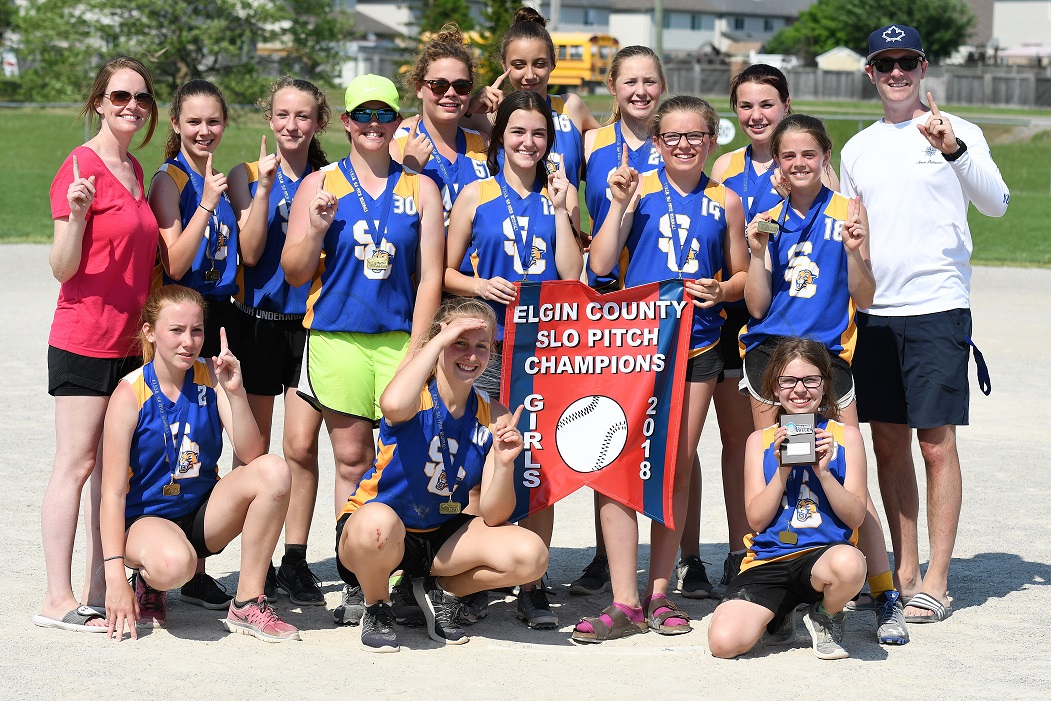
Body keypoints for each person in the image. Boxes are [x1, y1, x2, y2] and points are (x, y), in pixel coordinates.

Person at [840, 24, 1009, 624]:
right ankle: (905, 567)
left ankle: (938, 578)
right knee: (887, 444)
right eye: (884, 63)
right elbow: (856, 233)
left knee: (936, 445)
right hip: (877, 313)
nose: (896, 72)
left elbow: (996, 203)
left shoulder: (957, 130)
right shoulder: (857, 148)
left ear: (923, 65)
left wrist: (952, 150)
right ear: (870, 71)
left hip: (937, 307)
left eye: (906, 61)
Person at [581, 95, 747, 642]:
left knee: (675, 463)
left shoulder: (725, 200)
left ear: (711, 139)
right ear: (656, 142)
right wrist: (619, 207)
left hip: (698, 346)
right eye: (672, 136)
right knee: (617, 462)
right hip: (636, 346)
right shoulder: (637, 187)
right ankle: (623, 598)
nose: (683, 145)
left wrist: (722, 289)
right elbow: (600, 265)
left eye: (695, 136)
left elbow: (741, 276)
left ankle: (659, 592)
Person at [282, 74, 444, 625]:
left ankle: (402, 573)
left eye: (384, 115)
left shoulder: (420, 187)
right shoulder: (320, 184)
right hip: (337, 336)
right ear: (347, 123)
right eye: (363, 115)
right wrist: (314, 228)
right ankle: (356, 578)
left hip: (400, 339)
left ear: (397, 122)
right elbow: (294, 271)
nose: (374, 125)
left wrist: (418, 347)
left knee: (402, 457)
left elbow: (429, 279)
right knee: (351, 460)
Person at [739, 115, 908, 645]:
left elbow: (867, 296)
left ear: (824, 156)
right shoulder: (767, 216)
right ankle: (777, 588)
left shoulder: (847, 214)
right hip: (771, 357)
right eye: (788, 156)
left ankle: (884, 594)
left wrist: (858, 250)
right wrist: (758, 254)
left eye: (808, 154)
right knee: (776, 465)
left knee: (843, 464)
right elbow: (757, 304)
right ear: (779, 162)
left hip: (826, 362)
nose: (798, 164)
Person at [335, 297, 548, 652]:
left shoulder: (493, 413)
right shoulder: (414, 395)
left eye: (482, 346)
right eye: (459, 343)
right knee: (375, 525)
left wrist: (506, 462)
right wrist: (436, 341)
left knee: (532, 557)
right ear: (439, 344)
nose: (471, 355)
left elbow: (495, 515)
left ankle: (438, 592)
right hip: (382, 528)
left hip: (441, 534)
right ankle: (378, 604)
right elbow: (391, 405)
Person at [445, 89, 584, 628]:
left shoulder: (559, 192)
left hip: (544, 347)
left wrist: (559, 209)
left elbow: (572, 275)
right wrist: (481, 284)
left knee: (539, 460)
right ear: (500, 136)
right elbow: (445, 271)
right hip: (487, 347)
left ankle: (531, 579)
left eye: (539, 134)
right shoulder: (476, 194)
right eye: (518, 132)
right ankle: (483, 570)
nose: (528, 143)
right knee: (488, 459)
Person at [34, 57, 160, 634]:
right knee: (76, 463)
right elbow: (62, 268)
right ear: (98, 101)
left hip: (130, 344)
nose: (129, 106)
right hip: (84, 337)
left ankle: (96, 588)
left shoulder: (134, 168)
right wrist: (79, 215)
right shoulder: (80, 166)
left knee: (116, 471)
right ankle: (57, 598)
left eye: (139, 98)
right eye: (118, 97)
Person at [99, 285, 298, 642]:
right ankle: (147, 578)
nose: (188, 342)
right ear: (150, 332)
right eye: (175, 330)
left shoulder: (211, 376)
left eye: (196, 330)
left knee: (274, 470)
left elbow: (251, 454)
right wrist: (114, 577)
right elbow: (111, 494)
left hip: (201, 515)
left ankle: (248, 602)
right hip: (145, 520)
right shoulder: (129, 394)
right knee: (178, 565)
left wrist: (236, 393)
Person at [226, 77, 330, 606]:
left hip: (308, 325)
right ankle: (257, 563)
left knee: (302, 447)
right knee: (256, 452)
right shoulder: (248, 174)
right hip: (259, 321)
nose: (292, 125)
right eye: (284, 115)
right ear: (270, 119)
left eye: (304, 116)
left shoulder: (330, 177)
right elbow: (249, 252)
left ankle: (294, 558)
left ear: (318, 123)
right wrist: (265, 188)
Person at [568, 45, 666, 598]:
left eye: (650, 80)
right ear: (612, 85)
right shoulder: (591, 144)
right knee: (609, 433)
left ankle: (689, 557)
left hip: (667, 308)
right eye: (629, 80)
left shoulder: (675, 139)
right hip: (608, 304)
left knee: (671, 442)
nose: (640, 91)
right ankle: (608, 557)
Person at [707, 337, 868, 660]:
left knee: (850, 564)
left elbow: (856, 517)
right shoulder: (760, 442)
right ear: (774, 387)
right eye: (789, 381)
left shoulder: (846, 436)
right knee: (724, 644)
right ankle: (780, 615)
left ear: (825, 385)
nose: (800, 390)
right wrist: (781, 471)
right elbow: (756, 519)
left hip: (823, 558)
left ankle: (825, 613)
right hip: (771, 560)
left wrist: (823, 473)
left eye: (811, 380)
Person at [148, 78, 238, 609]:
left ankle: (197, 565)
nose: (205, 130)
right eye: (194, 121)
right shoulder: (171, 180)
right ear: (177, 125)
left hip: (219, 313)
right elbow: (176, 262)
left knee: (205, 440)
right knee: (168, 437)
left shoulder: (216, 176)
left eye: (213, 121)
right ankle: (153, 567)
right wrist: (205, 203)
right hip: (184, 315)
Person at [467, 7, 601, 188]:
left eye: (539, 64)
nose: (529, 75)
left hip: (565, 215)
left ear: (553, 61)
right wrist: (469, 107)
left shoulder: (571, 106)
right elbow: (436, 131)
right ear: (503, 63)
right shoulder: (492, 115)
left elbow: (611, 143)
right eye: (519, 65)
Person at [394, 23, 489, 221]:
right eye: (439, 85)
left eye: (462, 86)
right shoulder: (398, 146)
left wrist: (473, 109)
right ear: (419, 88)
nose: (451, 93)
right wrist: (410, 170)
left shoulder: (483, 145)